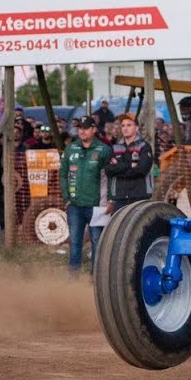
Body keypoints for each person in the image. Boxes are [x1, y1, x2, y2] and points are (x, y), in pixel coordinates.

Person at [60, 117, 112, 273]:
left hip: (97, 205)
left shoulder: (104, 150)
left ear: (94, 129)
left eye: (86, 128)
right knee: (75, 242)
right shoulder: (70, 148)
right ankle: (73, 277)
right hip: (75, 205)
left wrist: (110, 200)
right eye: (80, 128)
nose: (82, 131)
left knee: (97, 242)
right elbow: (63, 174)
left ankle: (95, 276)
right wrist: (67, 198)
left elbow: (111, 177)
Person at [104, 113, 154, 212]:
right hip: (119, 197)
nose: (125, 128)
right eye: (123, 125)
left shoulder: (144, 146)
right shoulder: (115, 147)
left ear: (136, 128)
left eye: (129, 125)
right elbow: (108, 170)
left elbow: (141, 170)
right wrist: (130, 165)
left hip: (139, 196)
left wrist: (118, 168)